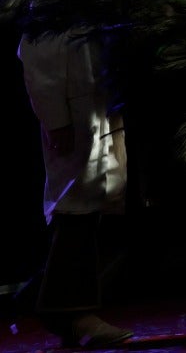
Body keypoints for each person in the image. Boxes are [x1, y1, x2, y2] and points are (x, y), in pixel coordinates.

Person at [16, 27, 133, 348]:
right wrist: (56, 120)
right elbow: (38, 55)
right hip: (77, 118)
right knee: (75, 207)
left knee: (94, 206)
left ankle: (65, 306)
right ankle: (71, 313)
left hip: (101, 106)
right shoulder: (53, 5)